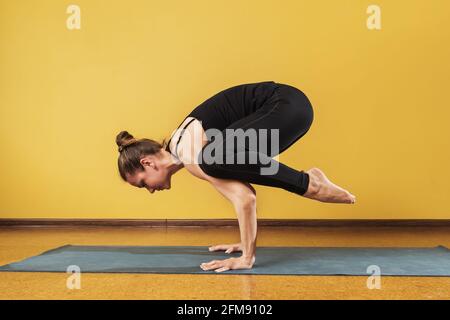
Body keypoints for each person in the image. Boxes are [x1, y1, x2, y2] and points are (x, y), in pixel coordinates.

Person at [116, 81, 356, 272]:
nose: (149, 190)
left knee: (212, 160)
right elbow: (245, 194)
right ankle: (310, 181)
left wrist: (246, 258)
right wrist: (245, 243)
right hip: (293, 110)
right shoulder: (186, 148)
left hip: (285, 106)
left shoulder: (189, 153)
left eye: (142, 183)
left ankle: (309, 184)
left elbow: (244, 199)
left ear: (147, 163)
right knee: (220, 159)